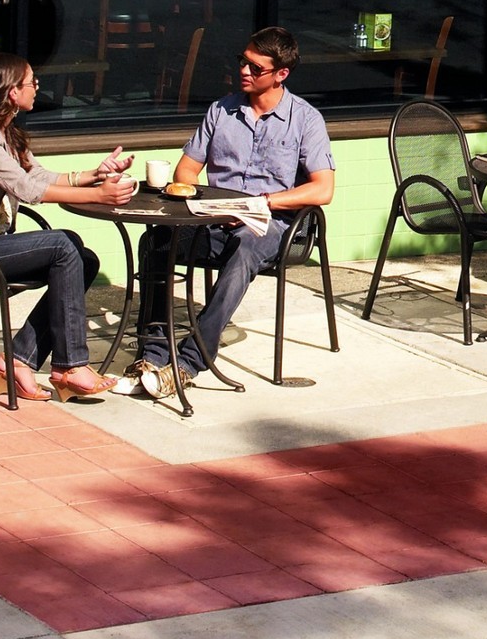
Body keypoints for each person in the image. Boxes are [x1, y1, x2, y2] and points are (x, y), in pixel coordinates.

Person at [126, 28, 336, 398]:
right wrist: (204, 202)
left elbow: (323, 189)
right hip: (215, 218)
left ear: (281, 74)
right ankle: (154, 353)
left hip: (274, 224)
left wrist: (263, 203)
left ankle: (190, 361)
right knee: (155, 238)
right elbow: (186, 170)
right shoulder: (221, 111)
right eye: (243, 62)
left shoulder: (305, 120)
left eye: (256, 68)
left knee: (246, 246)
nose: (244, 71)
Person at [0, 56, 133, 402]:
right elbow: (26, 190)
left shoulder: (5, 133)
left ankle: (18, 361)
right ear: (12, 93)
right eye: (31, 82)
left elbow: (37, 176)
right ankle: (70, 366)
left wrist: (94, 175)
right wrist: (97, 195)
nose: (37, 87)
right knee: (63, 243)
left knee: (83, 260)